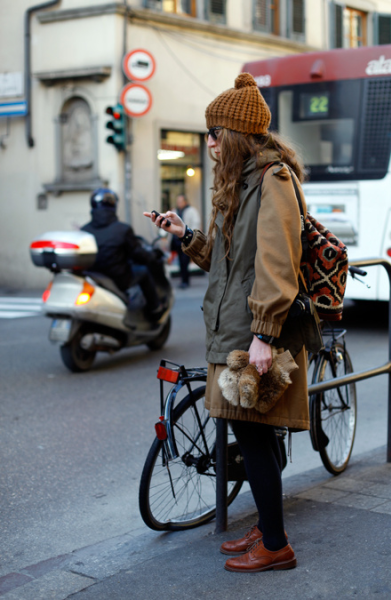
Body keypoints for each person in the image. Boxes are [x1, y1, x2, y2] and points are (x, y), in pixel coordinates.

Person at [144, 73, 309, 573]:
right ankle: (267, 524)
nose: (209, 142)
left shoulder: (273, 180)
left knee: (254, 433)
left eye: (215, 133)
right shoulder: (241, 183)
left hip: (249, 334)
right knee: (248, 430)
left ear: (235, 134)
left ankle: (276, 543)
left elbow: (278, 262)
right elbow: (229, 261)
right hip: (230, 328)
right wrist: (188, 236)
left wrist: (264, 333)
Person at [82, 188, 165, 321]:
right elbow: (139, 255)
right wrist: (154, 256)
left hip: (93, 277)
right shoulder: (123, 229)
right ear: (113, 206)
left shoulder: (84, 230)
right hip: (118, 278)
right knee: (143, 272)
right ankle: (155, 309)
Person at [170, 195, 200, 289]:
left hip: (186, 240)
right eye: (178, 201)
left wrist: (191, 236)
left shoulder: (191, 211)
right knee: (180, 261)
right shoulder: (175, 211)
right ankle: (183, 279)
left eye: (180, 201)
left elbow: (196, 224)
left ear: (185, 201)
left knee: (184, 261)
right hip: (177, 241)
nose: (179, 203)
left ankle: (185, 280)